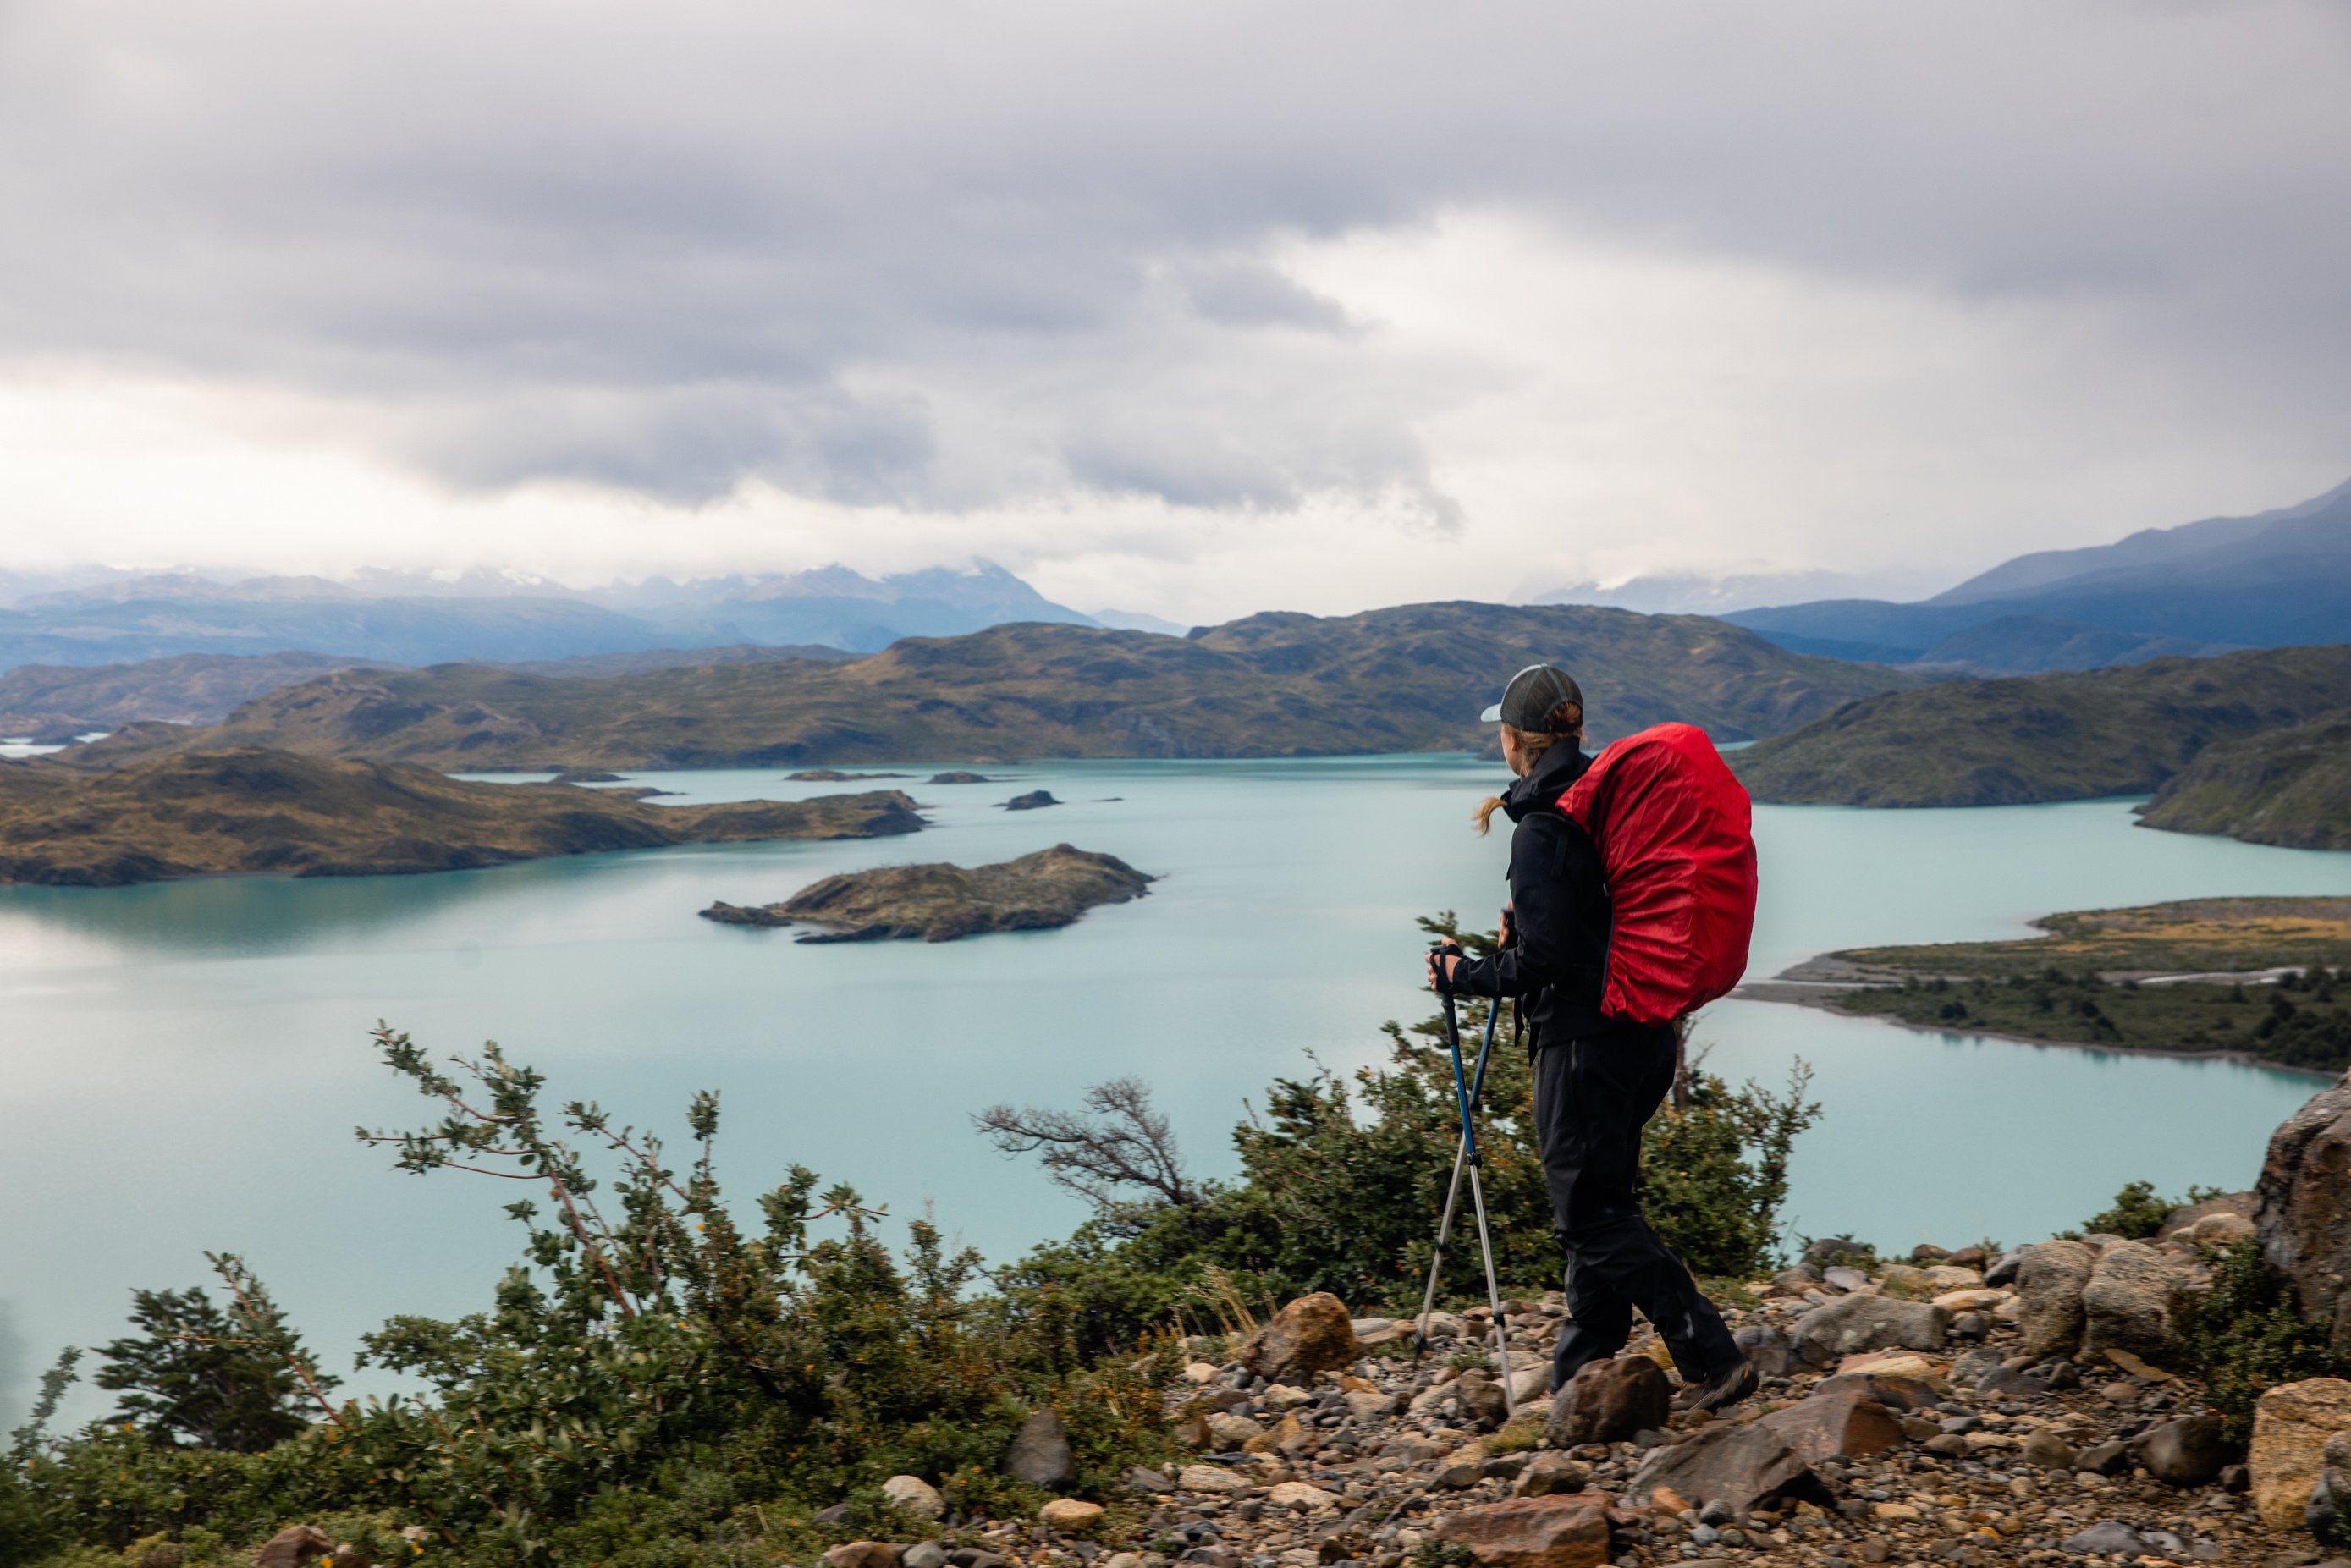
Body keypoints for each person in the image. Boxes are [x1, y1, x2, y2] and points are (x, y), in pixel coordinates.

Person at [1424, 663, 1757, 1414]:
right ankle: (1585, 1373)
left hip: (1583, 1045)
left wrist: (1461, 971)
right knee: (1597, 1206)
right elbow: (1583, 928)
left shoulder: (1542, 827)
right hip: (1640, 1036)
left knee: (1593, 1216)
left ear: (1517, 740)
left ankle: (1714, 1356)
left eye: (1501, 732)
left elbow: (1544, 961)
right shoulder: (1593, 803)